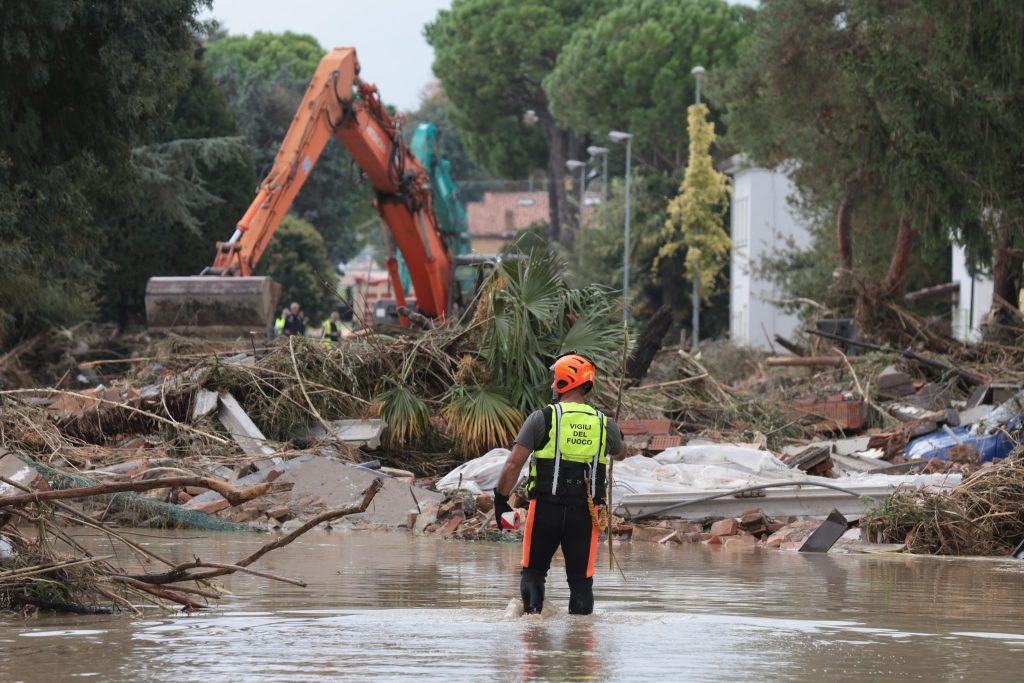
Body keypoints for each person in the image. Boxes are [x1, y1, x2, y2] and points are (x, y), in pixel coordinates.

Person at [493, 353, 625, 616]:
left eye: (555, 378)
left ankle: (532, 628)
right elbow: (620, 453)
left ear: (566, 380)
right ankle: (581, 644)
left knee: (533, 572)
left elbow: (513, 464)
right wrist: (617, 434)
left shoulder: (542, 418)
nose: (553, 384)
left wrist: (499, 499)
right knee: (581, 582)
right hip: (586, 516)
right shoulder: (604, 423)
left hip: (546, 510)